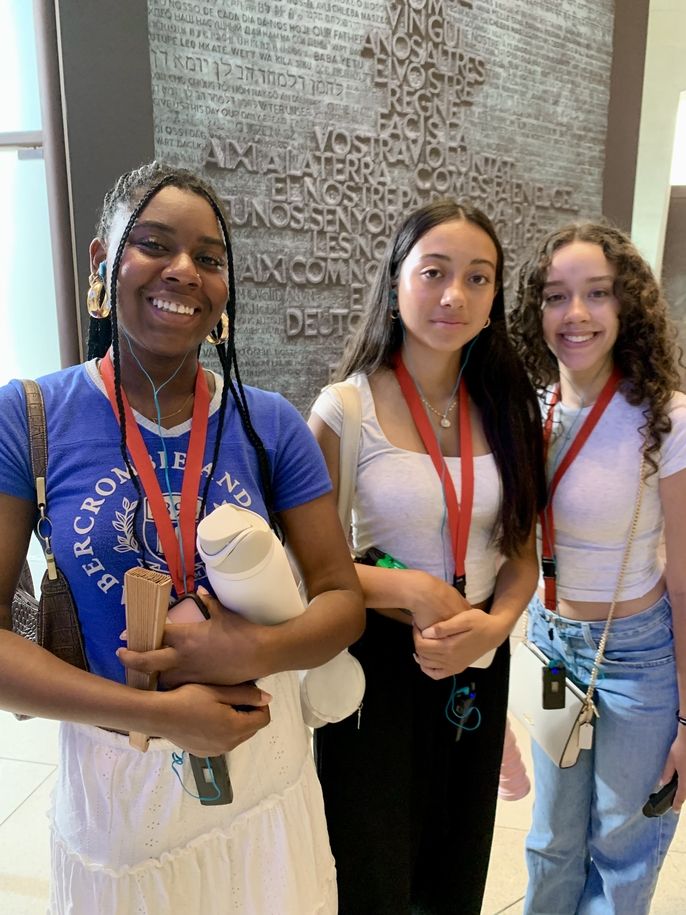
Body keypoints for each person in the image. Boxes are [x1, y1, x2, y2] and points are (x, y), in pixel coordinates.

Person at [0, 161, 364, 915]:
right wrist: (161, 715)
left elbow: (343, 601)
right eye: (155, 244)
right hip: (117, 786)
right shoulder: (30, 415)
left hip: (264, 779)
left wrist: (252, 650)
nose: (183, 271)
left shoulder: (269, 424)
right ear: (104, 263)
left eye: (208, 257)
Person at [308, 200, 546, 914]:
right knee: (371, 864)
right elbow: (309, 561)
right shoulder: (345, 407)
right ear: (395, 280)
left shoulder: (509, 405)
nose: (455, 295)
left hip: (477, 650)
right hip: (374, 658)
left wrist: (497, 622)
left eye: (479, 278)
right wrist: (409, 589)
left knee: (459, 859)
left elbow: (523, 553)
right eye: (434, 272)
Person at [509, 222, 686, 915]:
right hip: (554, 651)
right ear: (537, 310)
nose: (575, 314)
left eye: (597, 294)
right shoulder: (530, 411)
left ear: (627, 306)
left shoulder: (664, 419)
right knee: (552, 839)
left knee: (625, 841)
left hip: (638, 656)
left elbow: (685, 579)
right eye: (557, 296)